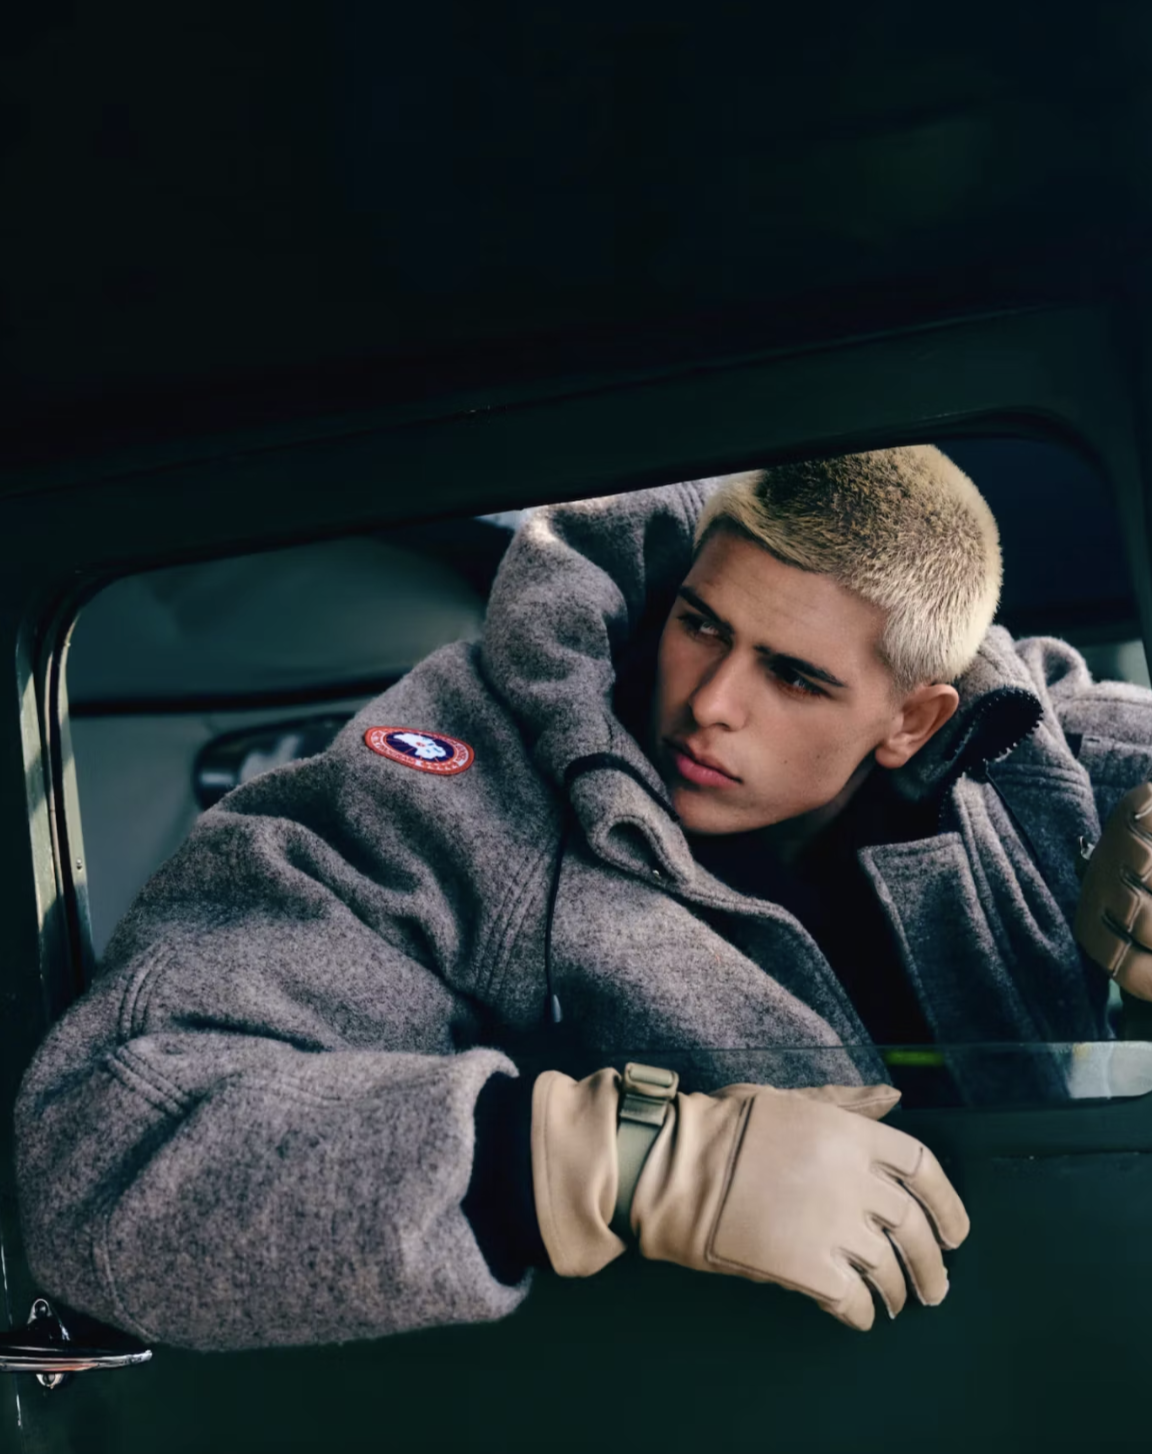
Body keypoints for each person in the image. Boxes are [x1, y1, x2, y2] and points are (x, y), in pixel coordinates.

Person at [13, 446, 1150, 1350]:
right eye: (702, 624)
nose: (710, 703)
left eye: (795, 677)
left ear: (914, 718)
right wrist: (614, 1162)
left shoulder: (1021, 744)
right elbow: (101, 1154)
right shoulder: (465, 786)